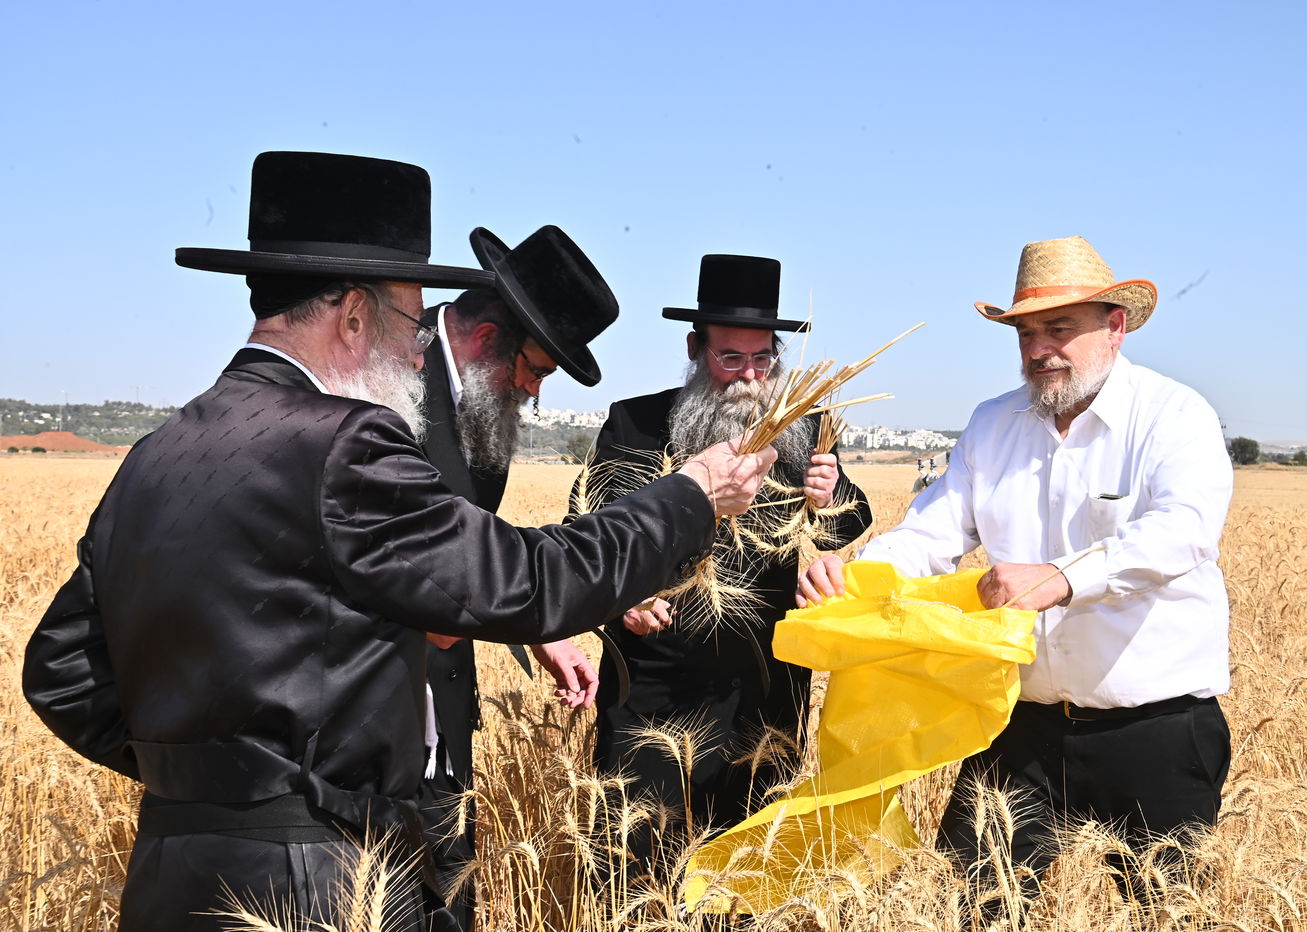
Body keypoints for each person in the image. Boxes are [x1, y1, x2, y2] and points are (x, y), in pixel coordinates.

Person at [22, 151, 775, 932]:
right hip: (317, 882)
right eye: (411, 320)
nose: (418, 347)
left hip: (167, 877)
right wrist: (692, 495)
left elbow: (61, 671)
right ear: (353, 315)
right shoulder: (343, 441)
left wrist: (209, 785)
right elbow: (526, 580)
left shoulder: (157, 452)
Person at [798, 235, 1233, 905]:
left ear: (1115, 326)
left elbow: (1184, 531)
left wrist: (1061, 576)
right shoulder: (992, 423)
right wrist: (855, 575)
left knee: (1169, 916)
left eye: (1059, 328)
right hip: (1018, 727)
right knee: (970, 910)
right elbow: (932, 533)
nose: (1038, 349)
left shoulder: (1175, 416)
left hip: (1154, 731)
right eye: (1026, 333)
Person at [576, 254, 873, 878]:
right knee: (636, 871)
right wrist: (625, 599)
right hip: (654, 690)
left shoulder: (806, 428)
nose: (749, 378)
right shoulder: (635, 423)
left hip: (763, 693)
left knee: (745, 876)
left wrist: (832, 492)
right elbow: (588, 539)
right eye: (730, 358)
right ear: (694, 348)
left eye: (763, 359)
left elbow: (849, 523)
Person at [415, 223, 614, 927]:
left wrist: (539, 632)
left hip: (444, 709)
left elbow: (470, 552)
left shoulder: (480, 406)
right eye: (534, 370)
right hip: (369, 717)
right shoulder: (385, 384)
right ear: (485, 337)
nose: (531, 392)